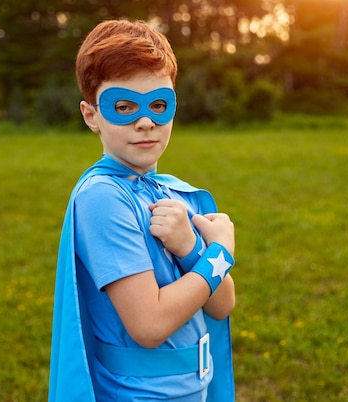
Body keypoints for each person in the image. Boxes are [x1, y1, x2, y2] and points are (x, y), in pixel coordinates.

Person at [49, 19, 236, 402]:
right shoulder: (101, 197)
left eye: (158, 105)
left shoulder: (171, 192)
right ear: (91, 115)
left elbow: (222, 305)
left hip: (189, 391)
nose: (145, 121)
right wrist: (219, 253)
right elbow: (149, 326)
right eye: (123, 106)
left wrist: (191, 248)